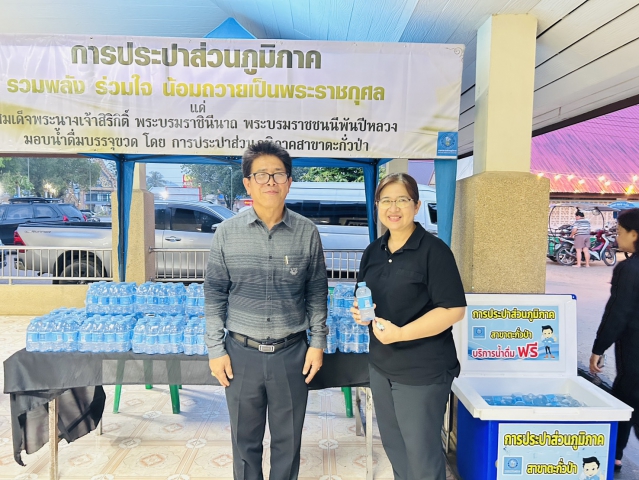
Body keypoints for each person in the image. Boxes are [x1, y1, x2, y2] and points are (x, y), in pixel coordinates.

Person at [204, 141, 328, 480]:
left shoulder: (307, 233)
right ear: (247, 183)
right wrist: (215, 349)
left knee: (288, 443)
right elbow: (214, 294)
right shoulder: (226, 233)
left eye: (278, 174)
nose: (270, 181)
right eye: (261, 175)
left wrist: (317, 342)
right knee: (245, 444)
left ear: (289, 182)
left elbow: (317, 292)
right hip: (240, 354)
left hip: (292, 354)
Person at [351, 173, 466, 480]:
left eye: (402, 200)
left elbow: (454, 309)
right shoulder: (373, 251)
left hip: (422, 371)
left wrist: (402, 333)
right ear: (377, 206)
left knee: (421, 455)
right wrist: (360, 313)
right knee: (395, 447)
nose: (394, 208)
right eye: (386, 200)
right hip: (381, 366)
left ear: (416, 206)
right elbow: (363, 295)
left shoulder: (434, 251)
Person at [589, 208, 639, 472]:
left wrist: (599, 348)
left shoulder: (629, 269)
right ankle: (616, 453)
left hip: (634, 350)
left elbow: (617, 313)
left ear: (634, 234)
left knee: (624, 399)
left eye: (620, 232)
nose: (617, 237)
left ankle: (614, 454)